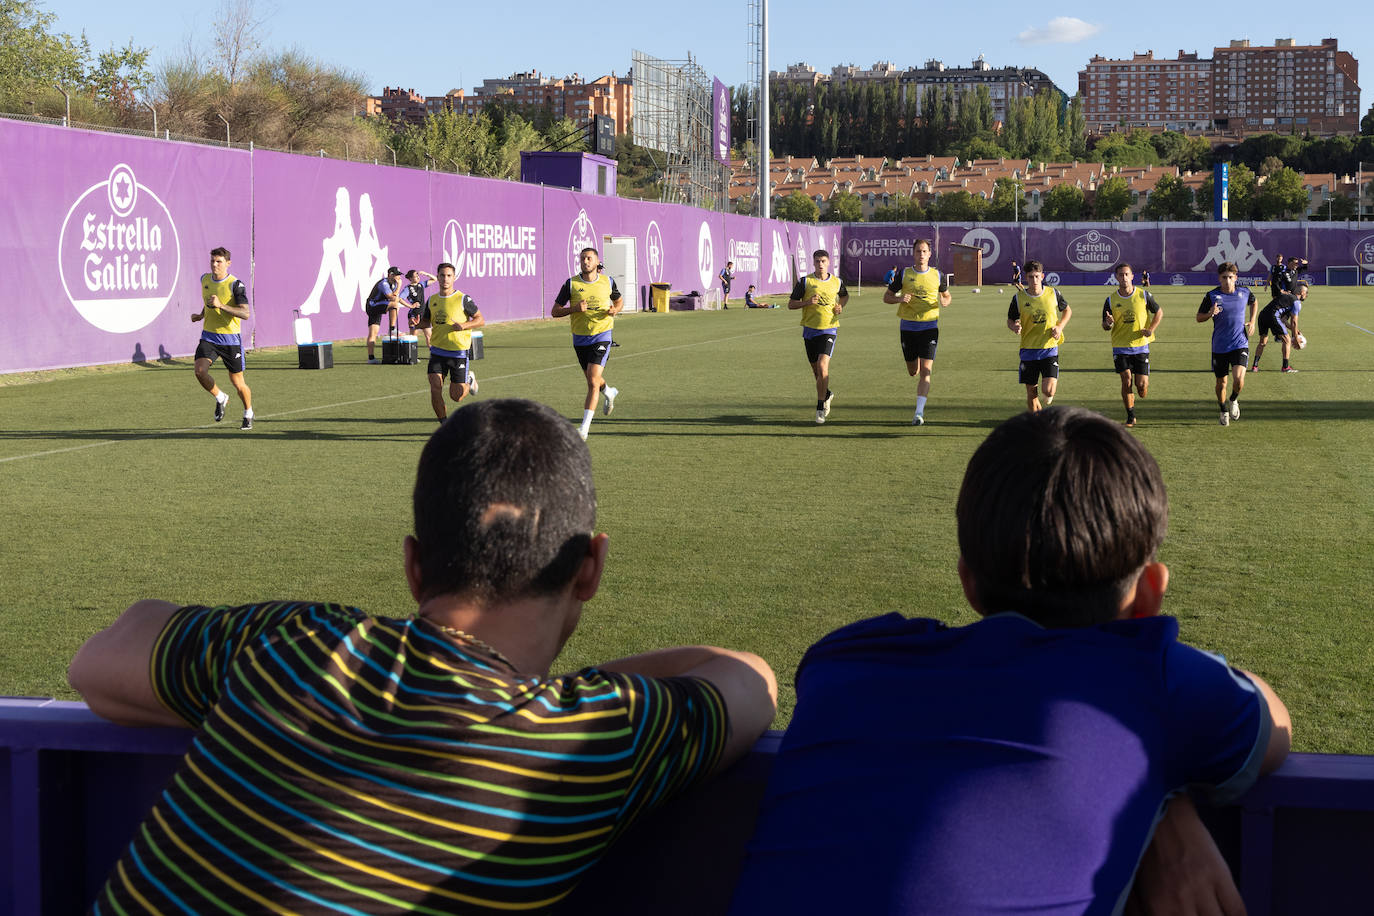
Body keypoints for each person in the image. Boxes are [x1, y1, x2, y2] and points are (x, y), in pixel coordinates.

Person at [68, 398, 778, 915]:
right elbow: (750, 679)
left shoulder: (295, 645)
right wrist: (564, 692)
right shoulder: (587, 740)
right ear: (590, 569)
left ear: (412, 565)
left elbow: (97, 664)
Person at [730, 406, 1291, 916]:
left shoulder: (844, 660)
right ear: (1150, 594)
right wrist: (1162, 795)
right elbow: (1275, 725)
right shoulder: (1154, 686)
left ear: (968, 582)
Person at [551, 247, 624, 440]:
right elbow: (555, 311)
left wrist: (615, 310)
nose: (585, 261)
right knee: (593, 380)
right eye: (583, 258)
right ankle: (609, 392)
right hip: (580, 338)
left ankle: (583, 429)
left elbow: (619, 301)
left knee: (592, 381)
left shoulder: (608, 281)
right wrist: (573, 309)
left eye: (589, 258)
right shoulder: (571, 284)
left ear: (597, 261)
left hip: (602, 335)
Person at [884, 238, 951, 425]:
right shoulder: (904, 275)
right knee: (913, 371)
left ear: (930, 254)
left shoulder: (938, 275)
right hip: (908, 328)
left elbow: (946, 295)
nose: (921, 255)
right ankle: (917, 368)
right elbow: (887, 297)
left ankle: (918, 413)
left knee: (926, 371)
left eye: (924, 251)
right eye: (918, 251)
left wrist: (945, 301)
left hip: (929, 327)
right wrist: (899, 299)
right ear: (913, 254)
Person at [191, 246, 253, 430]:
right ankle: (220, 397)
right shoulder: (205, 279)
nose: (215, 264)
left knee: (238, 383)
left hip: (230, 340)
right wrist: (202, 315)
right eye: (212, 261)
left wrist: (222, 305)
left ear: (228, 263)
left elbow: (245, 313)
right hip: (209, 337)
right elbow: (209, 301)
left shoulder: (236, 284)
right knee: (199, 372)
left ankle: (248, 412)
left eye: (219, 261)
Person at [415, 262, 483, 421]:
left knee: (456, 396)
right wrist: (417, 324)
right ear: (437, 277)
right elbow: (426, 322)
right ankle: (444, 423)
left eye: (449, 276)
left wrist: (465, 325)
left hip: (458, 353)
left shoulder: (463, 299)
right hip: (437, 351)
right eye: (442, 275)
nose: (445, 279)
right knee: (435, 388)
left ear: (454, 278)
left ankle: (469, 380)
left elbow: (480, 319)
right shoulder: (432, 300)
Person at [788, 249, 849, 425]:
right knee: (817, 373)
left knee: (823, 368)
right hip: (809, 331)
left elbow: (844, 296)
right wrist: (807, 302)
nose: (820, 264)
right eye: (817, 261)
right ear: (813, 263)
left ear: (828, 262)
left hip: (829, 329)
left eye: (823, 261)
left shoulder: (837, 282)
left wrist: (840, 306)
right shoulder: (805, 282)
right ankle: (827, 394)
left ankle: (820, 407)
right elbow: (791, 304)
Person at [1101, 262, 1163, 428]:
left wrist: (1151, 329)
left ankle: (1141, 390)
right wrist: (1108, 323)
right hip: (1120, 346)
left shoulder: (1143, 295)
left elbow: (1159, 312)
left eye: (1126, 274)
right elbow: (1105, 326)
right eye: (1120, 275)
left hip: (1141, 346)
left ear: (1132, 276)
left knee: (1141, 387)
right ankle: (1130, 416)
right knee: (1126, 380)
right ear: (1116, 277)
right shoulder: (1110, 300)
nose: (1124, 278)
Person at [1196, 261, 1257, 427]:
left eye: (1230, 277)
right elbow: (1198, 317)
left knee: (1238, 380)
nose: (1228, 280)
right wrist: (1210, 313)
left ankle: (1233, 400)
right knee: (1221, 383)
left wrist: (1252, 321)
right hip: (1219, 346)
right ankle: (1223, 409)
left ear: (1236, 278)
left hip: (1240, 343)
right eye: (1224, 277)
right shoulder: (1211, 296)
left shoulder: (1244, 292)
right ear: (1219, 278)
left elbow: (1254, 301)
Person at [1006, 259, 1070, 413]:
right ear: (1026, 278)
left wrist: (1059, 327)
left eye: (1036, 276)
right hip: (1028, 350)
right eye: (1030, 277)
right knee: (1031, 392)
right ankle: (1039, 423)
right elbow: (1010, 320)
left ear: (1042, 276)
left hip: (1049, 348)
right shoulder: (1018, 298)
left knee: (1048, 391)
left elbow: (1067, 310)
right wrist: (1014, 326)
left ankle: (1047, 398)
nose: (1034, 280)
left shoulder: (1053, 293)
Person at [1252, 281, 1307, 373]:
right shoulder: (1297, 303)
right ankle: (1285, 367)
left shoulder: (1287, 298)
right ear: (1302, 293)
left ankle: (1255, 366)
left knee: (1262, 341)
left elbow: (1284, 320)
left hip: (1262, 315)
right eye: (1306, 293)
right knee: (1287, 340)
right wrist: (1296, 337)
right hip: (1273, 316)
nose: (1307, 295)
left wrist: (1296, 331)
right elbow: (1293, 321)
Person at [364, 266, 405, 363]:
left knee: (373, 332)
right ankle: (392, 329)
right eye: (397, 275)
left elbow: (397, 298)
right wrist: (399, 286)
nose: (399, 277)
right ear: (390, 275)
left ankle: (371, 358)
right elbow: (392, 298)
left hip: (379, 306)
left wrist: (411, 306)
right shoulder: (384, 283)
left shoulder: (393, 284)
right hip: (373, 306)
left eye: (399, 275)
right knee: (394, 305)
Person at [403, 268, 437, 347]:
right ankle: (412, 357)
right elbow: (400, 299)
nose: (418, 277)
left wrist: (425, 273)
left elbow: (434, 279)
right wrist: (410, 306)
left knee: (429, 336)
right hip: (414, 315)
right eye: (415, 276)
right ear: (410, 278)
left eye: (418, 275)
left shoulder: (421, 285)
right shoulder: (407, 289)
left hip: (424, 314)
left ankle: (433, 356)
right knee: (413, 338)